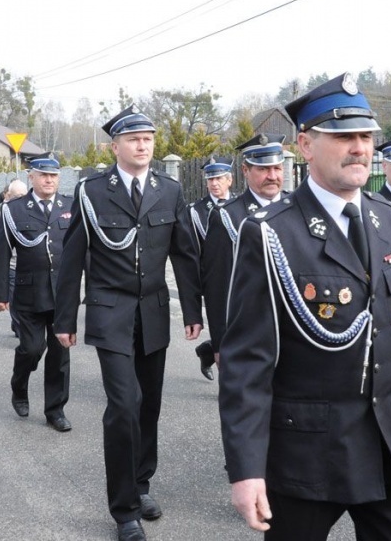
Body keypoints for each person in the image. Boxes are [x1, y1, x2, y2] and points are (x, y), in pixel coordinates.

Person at [219, 73, 391, 540]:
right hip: (308, 452)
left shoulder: (389, 219)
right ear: (306, 146)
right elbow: (247, 361)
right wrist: (246, 468)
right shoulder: (271, 232)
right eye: (343, 137)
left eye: (365, 136)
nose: (359, 148)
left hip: (387, 443)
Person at [54, 105, 203, 541]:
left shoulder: (169, 190)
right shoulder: (92, 191)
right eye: (134, 139)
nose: (143, 145)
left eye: (149, 138)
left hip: (153, 312)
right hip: (110, 310)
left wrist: (192, 311)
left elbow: (185, 254)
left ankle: (140, 486)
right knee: (124, 405)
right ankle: (124, 512)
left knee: (149, 405)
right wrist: (65, 318)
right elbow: (72, 259)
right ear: (115, 146)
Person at [0, 154, 74, 432]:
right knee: (31, 348)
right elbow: (2, 252)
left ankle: (55, 410)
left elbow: (81, 250)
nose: (49, 180)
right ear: (32, 177)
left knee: (60, 354)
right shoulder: (14, 209)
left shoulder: (70, 207)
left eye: (53, 176)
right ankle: (19, 384)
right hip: (28, 292)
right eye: (43, 175)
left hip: (62, 294)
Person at [200, 135, 288, 377]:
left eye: (277, 168)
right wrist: (219, 342)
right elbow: (217, 285)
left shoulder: (297, 207)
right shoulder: (228, 216)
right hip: (249, 335)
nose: (272, 176)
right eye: (263, 169)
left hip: (294, 332)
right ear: (245, 171)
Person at [188, 155, 235, 380]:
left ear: (230, 180)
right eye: (210, 179)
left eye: (219, 178)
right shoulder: (197, 212)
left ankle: (207, 351)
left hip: (242, 279)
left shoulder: (240, 205)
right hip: (214, 282)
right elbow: (194, 254)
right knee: (222, 331)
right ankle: (229, 385)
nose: (214, 183)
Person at [0, 179, 28, 339]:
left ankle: (19, 324)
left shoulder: (31, 210)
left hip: (27, 266)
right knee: (15, 299)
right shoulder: (3, 212)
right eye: (17, 195)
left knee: (25, 301)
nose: (21, 198)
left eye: (24, 195)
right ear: (8, 195)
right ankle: (22, 331)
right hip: (11, 265)